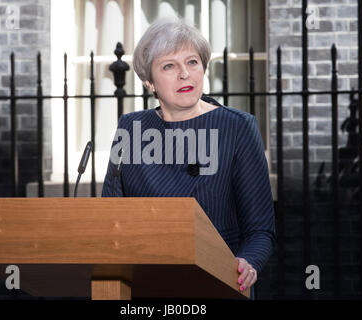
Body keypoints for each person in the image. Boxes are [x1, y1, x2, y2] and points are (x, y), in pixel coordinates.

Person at [102, 19, 275, 298]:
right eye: (169, 66)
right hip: (148, 288)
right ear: (149, 82)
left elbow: (260, 230)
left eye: (192, 62)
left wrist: (249, 262)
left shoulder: (237, 127)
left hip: (220, 284)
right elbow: (109, 219)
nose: (185, 74)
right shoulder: (130, 129)